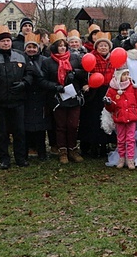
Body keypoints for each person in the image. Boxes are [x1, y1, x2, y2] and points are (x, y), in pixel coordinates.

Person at [0, 26, 33, 169]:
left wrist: (24, 83)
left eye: (8, 40)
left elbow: (30, 73)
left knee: (19, 131)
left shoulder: (21, 56)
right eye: (3, 41)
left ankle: (21, 158)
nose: (6, 43)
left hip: (18, 101)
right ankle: (4, 159)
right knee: (2, 133)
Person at [40, 30, 87, 164]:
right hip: (57, 98)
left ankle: (72, 148)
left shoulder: (74, 58)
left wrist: (75, 73)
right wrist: (55, 86)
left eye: (64, 46)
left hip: (73, 96)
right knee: (60, 126)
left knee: (73, 125)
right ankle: (63, 151)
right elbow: (43, 81)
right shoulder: (47, 62)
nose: (62, 48)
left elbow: (84, 74)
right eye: (59, 45)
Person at [79, 31, 116, 158]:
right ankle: (91, 146)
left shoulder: (113, 59)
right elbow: (84, 73)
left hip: (108, 91)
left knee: (106, 118)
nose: (103, 48)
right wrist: (87, 84)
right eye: (101, 45)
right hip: (94, 93)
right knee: (93, 120)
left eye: (106, 45)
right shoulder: (90, 57)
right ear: (96, 47)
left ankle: (104, 145)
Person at [103, 68, 137, 169]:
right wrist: (108, 103)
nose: (127, 77)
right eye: (124, 74)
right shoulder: (112, 89)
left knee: (131, 138)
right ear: (118, 76)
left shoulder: (133, 87)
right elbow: (110, 108)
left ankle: (130, 159)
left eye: (127, 74)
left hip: (132, 117)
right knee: (121, 139)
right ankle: (121, 158)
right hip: (119, 117)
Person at [22, 33, 50, 161]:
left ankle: (41, 151)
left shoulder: (44, 60)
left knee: (40, 126)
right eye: (29, 47)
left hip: (41, 95)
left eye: (34, 47)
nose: (31, 49)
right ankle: (29, 148)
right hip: (26, 95)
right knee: (27, 124)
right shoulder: (21, 60)